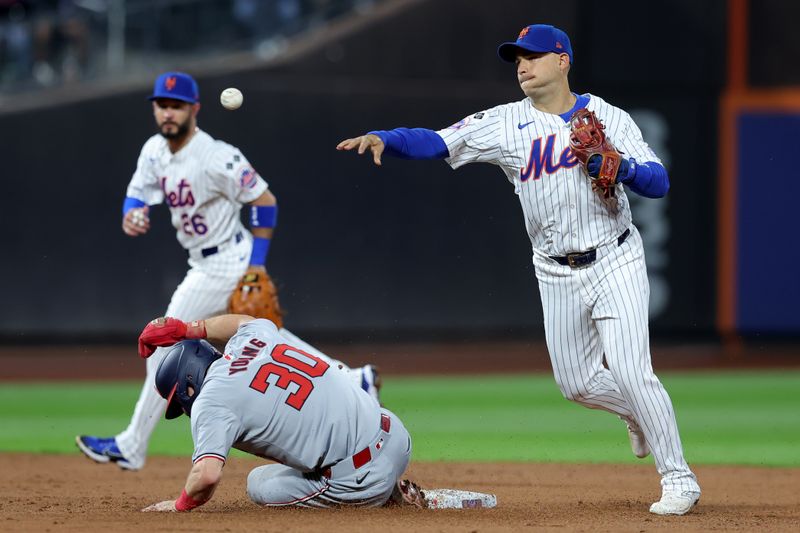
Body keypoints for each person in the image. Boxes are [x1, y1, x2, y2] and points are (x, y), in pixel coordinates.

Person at [336, 24, 700, 516]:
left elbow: (658, 182)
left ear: (562, 60)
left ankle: (679, 478)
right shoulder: (505, 122)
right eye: (517, 59)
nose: (522, 66)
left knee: (633, 371)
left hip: (615, 256)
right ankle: (638, 414)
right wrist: (387, 137)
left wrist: (622, 167)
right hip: (553, 269)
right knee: (576, 383)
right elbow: (438, 141)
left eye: (532, 56)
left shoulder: (607, 116)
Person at [76, 71, 380, 472]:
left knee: (164, 338)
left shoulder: (218, 155)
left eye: (176, 106)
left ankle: (132, 445)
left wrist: (256, 265)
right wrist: (131, 212)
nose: (168, 113)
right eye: (162, 105)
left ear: (194, 109)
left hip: (228, 263)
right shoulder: (153, 150)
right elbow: (137, 192)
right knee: (268, 342)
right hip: (202, 260)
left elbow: (266, 201)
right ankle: (352, 379)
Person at [135, 314, 417, 511]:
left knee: (258, 483)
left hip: (362, 479)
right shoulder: (252, 340)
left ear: (187, 385)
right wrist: (186, 328)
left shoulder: (211, 400)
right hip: (396, 435)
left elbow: (207, 476)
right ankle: (387, 485)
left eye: (179, 400)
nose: (183, 408)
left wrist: (179, 505)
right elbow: (245, 321)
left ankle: (383, 494)